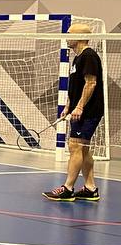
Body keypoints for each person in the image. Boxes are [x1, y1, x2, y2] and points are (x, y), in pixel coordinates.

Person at [44, 22, 103, 201]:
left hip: (89, 111)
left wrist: (80, 107)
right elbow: (75, 86)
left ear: (79, 37)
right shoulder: (77, 58)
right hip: (79, 110)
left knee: (75, 146)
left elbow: (91, 83)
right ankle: (90, 188)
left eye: (69, 33)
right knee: (82, 149)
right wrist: (68, 106)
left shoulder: (89, 56)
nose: (67, 37)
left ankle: (68, 188)